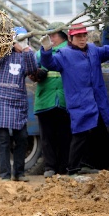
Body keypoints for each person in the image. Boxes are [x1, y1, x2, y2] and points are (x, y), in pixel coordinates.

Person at [40, 23, 109, 175]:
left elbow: (108, 50)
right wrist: (46, 50)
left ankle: (98, 167)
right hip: (80, 103)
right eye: (78, 36)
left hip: (97, 102)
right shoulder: (64, 54)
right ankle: (72, 169)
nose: (82, 39)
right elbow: (49, 64)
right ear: (71, 38)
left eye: (84, 35)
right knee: (80, 135)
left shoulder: (93, 50)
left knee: (102, 135)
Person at [0, 27, 38, 182]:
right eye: (17, 39)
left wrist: (26, 49)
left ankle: (19, 173)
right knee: (3, 139)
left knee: (22, 138)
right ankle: (5, 175)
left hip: (17, 102)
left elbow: (32, 69)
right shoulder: (0, 53)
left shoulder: (26, 55)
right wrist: (7, 46)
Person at [29, 22, 72, 178]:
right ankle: (50, 167)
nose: (50, 38)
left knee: (65, 135)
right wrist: (35, 74)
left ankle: (64, 167)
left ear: (61, 36)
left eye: (53, 34)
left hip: (64, 100)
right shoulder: (40, 53)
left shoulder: (70, 50)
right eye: (49, 35)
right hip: (45, 101)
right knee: (47, 137)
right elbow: (33, 73)